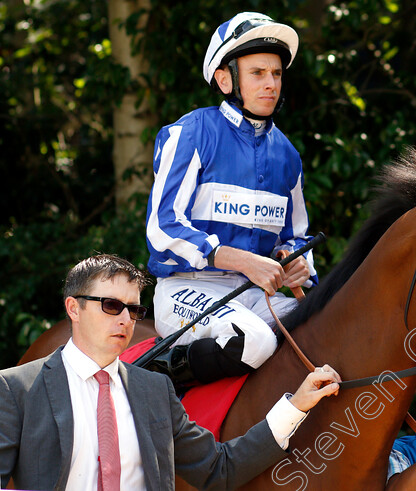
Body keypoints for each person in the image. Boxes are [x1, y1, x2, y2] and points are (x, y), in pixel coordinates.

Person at [0, 254, 340, 490]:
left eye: (133, 310)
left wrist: (295, 406)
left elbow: (221, 469)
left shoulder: (155, 390)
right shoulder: (15, 389)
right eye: (111, 306)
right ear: (73, 308)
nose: (124, 319)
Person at [145, 11, 318, 386]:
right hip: (186, 288)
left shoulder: (288, 155)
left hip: (254, 297)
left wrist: (297, 264)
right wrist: (245, 261)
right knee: (253, 341)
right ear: (225, 79)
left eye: (276, 74)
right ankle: (154, 383)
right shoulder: (189, 133)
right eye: (257, 73)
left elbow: (297, 237)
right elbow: (163, 227)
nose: (271, 83)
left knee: (328, 331)